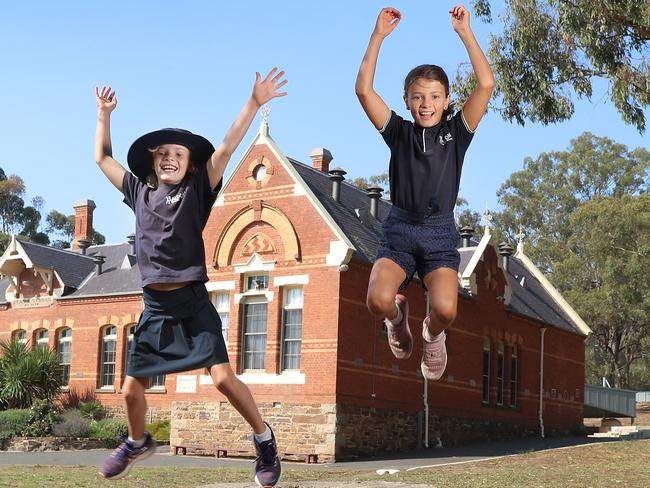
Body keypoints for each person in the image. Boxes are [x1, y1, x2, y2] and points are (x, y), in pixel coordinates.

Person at [94, 68, 287, 487]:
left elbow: (228, 146)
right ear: (152, 161)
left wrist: (254, 103)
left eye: (178, 154)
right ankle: (137, 441)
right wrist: (104, 115)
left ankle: (264, 439)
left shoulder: (199, 189)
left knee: (221, 379)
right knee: (130, 391)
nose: (169, 158)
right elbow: (102, 159)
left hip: (193, 304)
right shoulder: (138, 193)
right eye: (162, 153)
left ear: (190, 164)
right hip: (155, 308)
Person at [356, 6, 494, 380]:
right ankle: (397, 320)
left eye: (435, 96)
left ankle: (431, 335)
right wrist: (378, 35)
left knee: (447, 311)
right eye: (418, 97)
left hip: (438, 233)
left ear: (447, 100)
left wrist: (465, 32)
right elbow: (363, 90)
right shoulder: (398, 132)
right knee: (377, 301)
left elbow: (485, 85)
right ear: (406, 101)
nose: (427, 103)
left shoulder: (457, 133)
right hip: (400, 229)